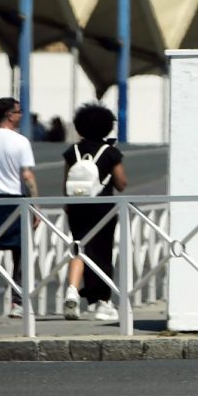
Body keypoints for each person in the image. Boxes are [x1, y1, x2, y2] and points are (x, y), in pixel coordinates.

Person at [62, 103, 127, 321]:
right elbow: (121, 184)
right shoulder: (110, 153)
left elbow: (66, 182)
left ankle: (72, 290)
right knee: (102, 253)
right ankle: (103, 303)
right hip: (103, 210)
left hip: (77, 207)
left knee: (78, 248)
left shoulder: (73, 151)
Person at [0, 97, 39, 318]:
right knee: (21, 254)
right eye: (19, 111)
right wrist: (35, 206)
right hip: (14, 202)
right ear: (10, 114)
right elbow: (26, 176)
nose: (22, 115)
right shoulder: (20, 142)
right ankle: (18, 302)